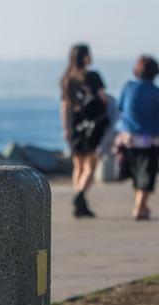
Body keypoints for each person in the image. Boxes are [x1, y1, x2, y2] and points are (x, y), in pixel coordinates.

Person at [60, 44, 109, 217]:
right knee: (90, 165)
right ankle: (80, 196)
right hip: (92, 125)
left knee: (78, 166)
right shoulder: (93, 76)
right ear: (85, 57)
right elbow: (103, 98)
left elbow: (65, 105)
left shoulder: (67, 79)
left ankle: (80, 203)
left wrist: (66, 128)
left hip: (74, 125)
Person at [115, 55, 159, 220]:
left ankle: (142, 206)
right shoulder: (156, 92)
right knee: (147, 175)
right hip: (150, 141)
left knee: (136, 174)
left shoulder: (128, 87)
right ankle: (139, 207)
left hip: (128, 139)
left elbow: (120, 108)